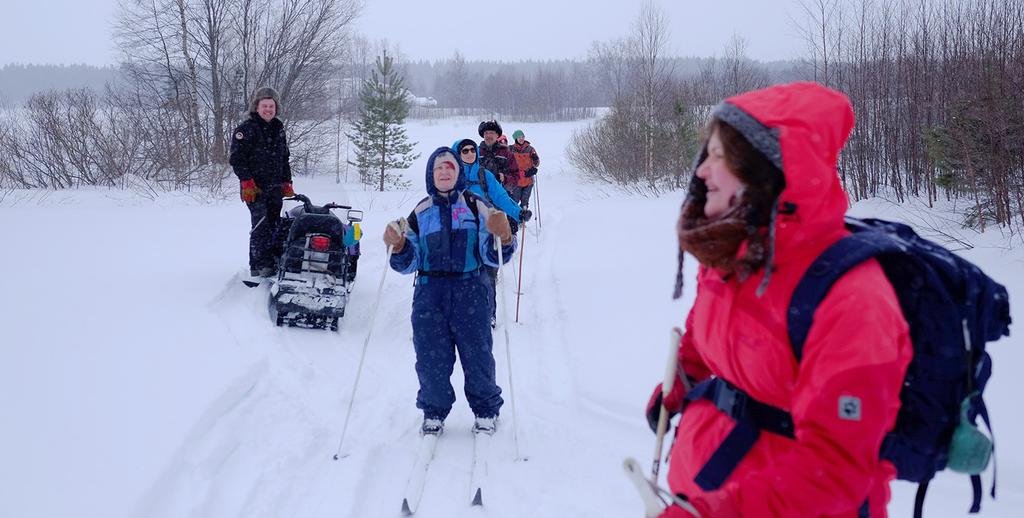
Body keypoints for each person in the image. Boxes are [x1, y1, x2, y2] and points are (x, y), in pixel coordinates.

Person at [645, 82, 912, 517]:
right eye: (706, 155)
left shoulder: (854, 300)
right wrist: (679, 385)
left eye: (718, 157)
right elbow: (705, 327)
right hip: (702, 486)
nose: (701, 172)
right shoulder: (733, 253)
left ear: (763, 170)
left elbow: (836, 469)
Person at [383, 146, 516, 436]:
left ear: (457, 173)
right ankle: (433, 412)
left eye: (450, 168)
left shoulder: (475, 205)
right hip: (430, 293)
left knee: (478, 355)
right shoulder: (420, 211)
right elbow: (409, 263)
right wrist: (400, 245)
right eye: (439, 168)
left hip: (471, 289)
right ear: (432, 175)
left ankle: (485, 411)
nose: (444, 172)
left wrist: (503, 237)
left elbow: (493, 257)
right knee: (431, 357)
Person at [453, 138, 532, 327]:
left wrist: (517, 212)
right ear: (457, 153)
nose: (470, 153)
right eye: (465, 150)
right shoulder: (452, 176)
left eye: (473, 149)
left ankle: (488, 314)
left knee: (488, 275)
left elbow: (501, 197)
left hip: (487, 231)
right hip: (461, 234)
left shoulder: (485, 175)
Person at [229, 86, 295, 277]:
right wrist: (247, 181)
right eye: (264, 105)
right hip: (254, 189)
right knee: (261, 225)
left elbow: (284, 157)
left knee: (276, 224)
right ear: (256, 107)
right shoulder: (245, 130)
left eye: (271, 106)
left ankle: (272, 260)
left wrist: (287, 181)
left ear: (276, 108)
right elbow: (237, 159)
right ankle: (258, 266)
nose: (268, 109)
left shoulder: (278, 128)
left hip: (275, 187)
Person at [477, 120, 520, 196]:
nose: (488, 136)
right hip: (480, 196)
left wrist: (505, 178)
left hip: (502, 195)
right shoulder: (475, 153)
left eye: (491, 133)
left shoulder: (507, 153)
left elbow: (516, 176)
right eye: (486, 133)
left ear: (497, 135)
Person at [509, 129, 540, 209]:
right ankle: (513, 219)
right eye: (519, 137)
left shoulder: (530, 149)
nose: (521, 138)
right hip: (516, 181)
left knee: (525, 203)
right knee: (514, 201)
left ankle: (523, 220)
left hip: (528, 182)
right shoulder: (511, 149)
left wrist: (535, 159)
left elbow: (536, 164)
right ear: (516, 138)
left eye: (523, 136)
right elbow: (508, 164)